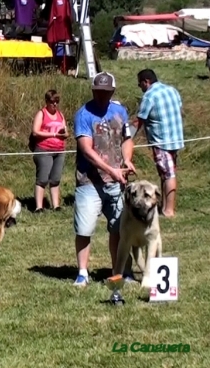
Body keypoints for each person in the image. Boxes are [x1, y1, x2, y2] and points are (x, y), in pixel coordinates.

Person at [72, 72, 136, 287]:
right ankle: (82, 273)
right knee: (84, 229)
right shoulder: (83, 114)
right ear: (93, 90)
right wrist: (111, 169)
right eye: (98, 91)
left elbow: (127, 139)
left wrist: (126, 160)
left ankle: (118, 271)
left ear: (112, 92)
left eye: (106, 92)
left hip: (116, 183)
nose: (101, 95)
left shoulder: (120, 111)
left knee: (118, 228)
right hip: (89, 182)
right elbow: (86, 150)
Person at [133, 69, 184, 218]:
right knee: (167, 173)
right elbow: (180, 110)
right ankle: (164, 206)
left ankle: (169, 211)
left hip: (161, 141)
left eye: (139, 84)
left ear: (146, 82)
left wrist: (127, 137)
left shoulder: (149, 96)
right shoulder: (172, 90)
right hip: (176, 138)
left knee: (168, 174)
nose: (140, 87)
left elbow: (139, 121)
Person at [30, 89, 68, 212]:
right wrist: (53, 134)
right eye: (52, 101)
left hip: (59, 150)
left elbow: (66, 132)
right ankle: (39, 207)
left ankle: (56, 205)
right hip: (44, 149)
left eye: (57, 101)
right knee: (42, 179)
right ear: (47, 101)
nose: (55, 104)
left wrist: (63, 135)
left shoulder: (60, 115)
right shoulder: (41, 113)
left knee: (55, 179)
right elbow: (35, 132)